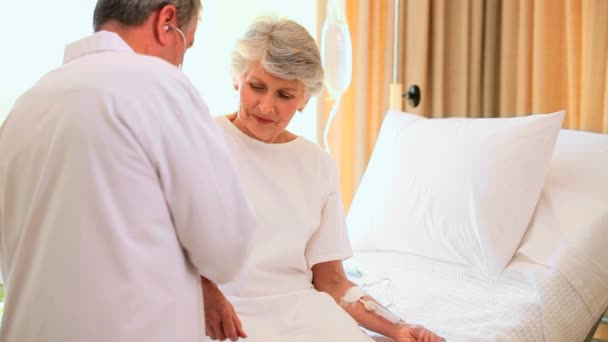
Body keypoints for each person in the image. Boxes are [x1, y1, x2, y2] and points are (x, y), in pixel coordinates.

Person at [0, 1, 256, 341]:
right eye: (187, 44)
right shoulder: (159, 83)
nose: (181, 61)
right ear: (167, 21)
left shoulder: (26, 104)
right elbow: (225, 249)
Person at [202, 16, 445, 342]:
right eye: (256, 87)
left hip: (303, 313)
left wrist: (398, 327)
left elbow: (332, 283)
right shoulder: (201, 141)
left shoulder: (318, 165)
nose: (266, 106)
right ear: (237, 78)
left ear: (304, 99)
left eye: (285, 95)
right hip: (225, 311)